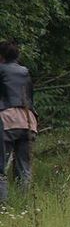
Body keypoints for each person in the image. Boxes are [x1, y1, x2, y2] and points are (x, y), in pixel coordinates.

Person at [0, 41, 38, 199]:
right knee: (24, 168)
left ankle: (2, 206)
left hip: (7, 119)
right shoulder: (25, 71)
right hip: (29, 120)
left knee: (0, 166)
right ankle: (24, 204)